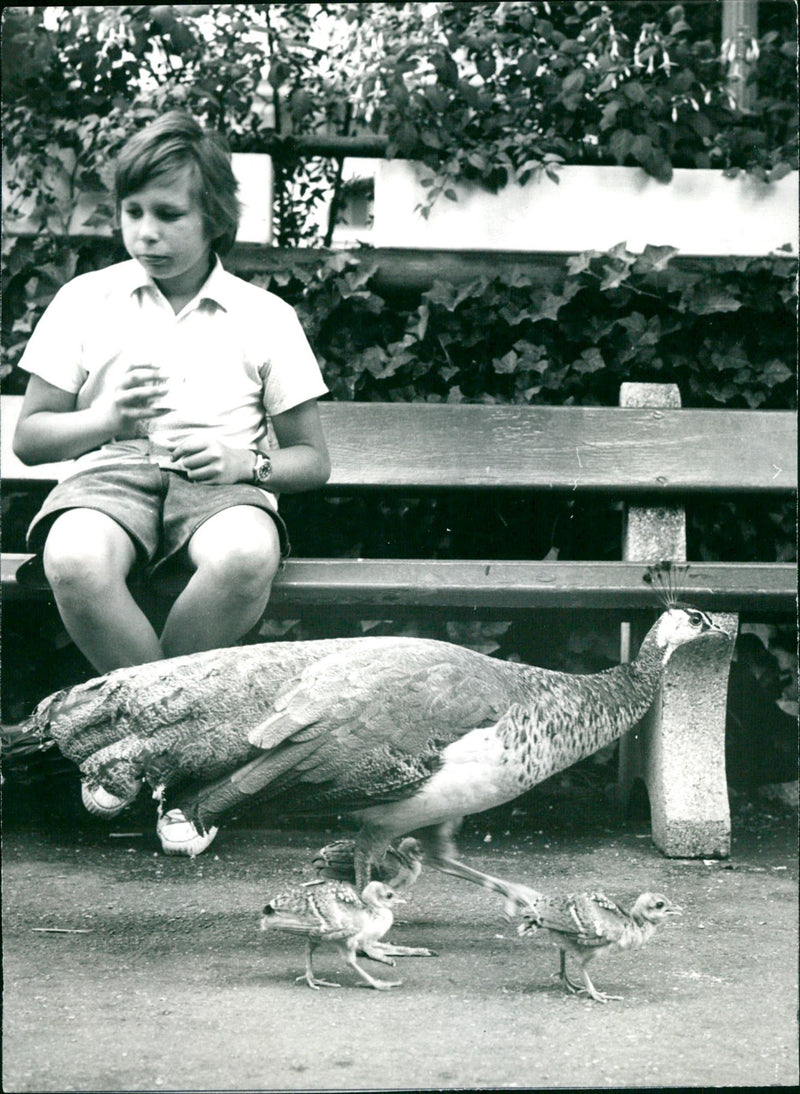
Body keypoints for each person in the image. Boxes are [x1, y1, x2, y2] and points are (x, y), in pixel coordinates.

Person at [12, 111, 331, 856]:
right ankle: (181, 765)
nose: (146, 233)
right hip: (113, 470)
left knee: (245, 555)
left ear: (214, 216)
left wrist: (245, 464)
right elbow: (30, 438)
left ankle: (134, 756)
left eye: (168, 214)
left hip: (218, 479)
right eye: (132, 212)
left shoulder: (264, 316)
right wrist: (105, 416)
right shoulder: (87, 299)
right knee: (74, 558)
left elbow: (312, 460)